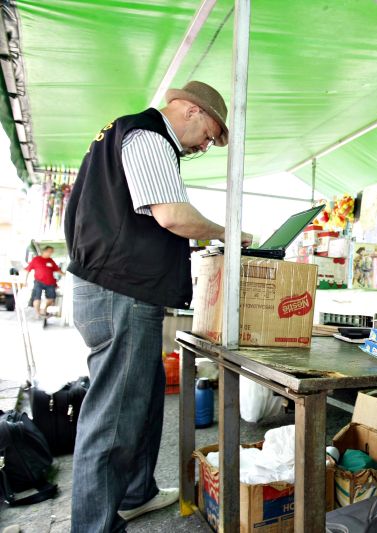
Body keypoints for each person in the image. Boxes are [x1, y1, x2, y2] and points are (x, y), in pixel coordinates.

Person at [64, 81, 253, 533]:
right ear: (190, 110)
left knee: (144, 399)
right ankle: (93, 527)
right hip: (119, 293)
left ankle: (136, 493)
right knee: (112, 421)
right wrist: (229, 233)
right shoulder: (148, 135)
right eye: (208, 135)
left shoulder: (128, 136)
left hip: (121, 291)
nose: (204, 146)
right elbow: (172, 215)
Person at [24, 245, 61, 318]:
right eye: (49, 251)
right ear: (44, 251)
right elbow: (28, 270)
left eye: (52, 252)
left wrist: (66, 274)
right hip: (38, 281)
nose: (50, 253)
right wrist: (25, 281)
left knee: (51, 298)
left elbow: (57, 270)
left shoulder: (51, 260)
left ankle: (44, 310)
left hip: (50, 282)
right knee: (37, 297)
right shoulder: (36, 259)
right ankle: (37, 313)